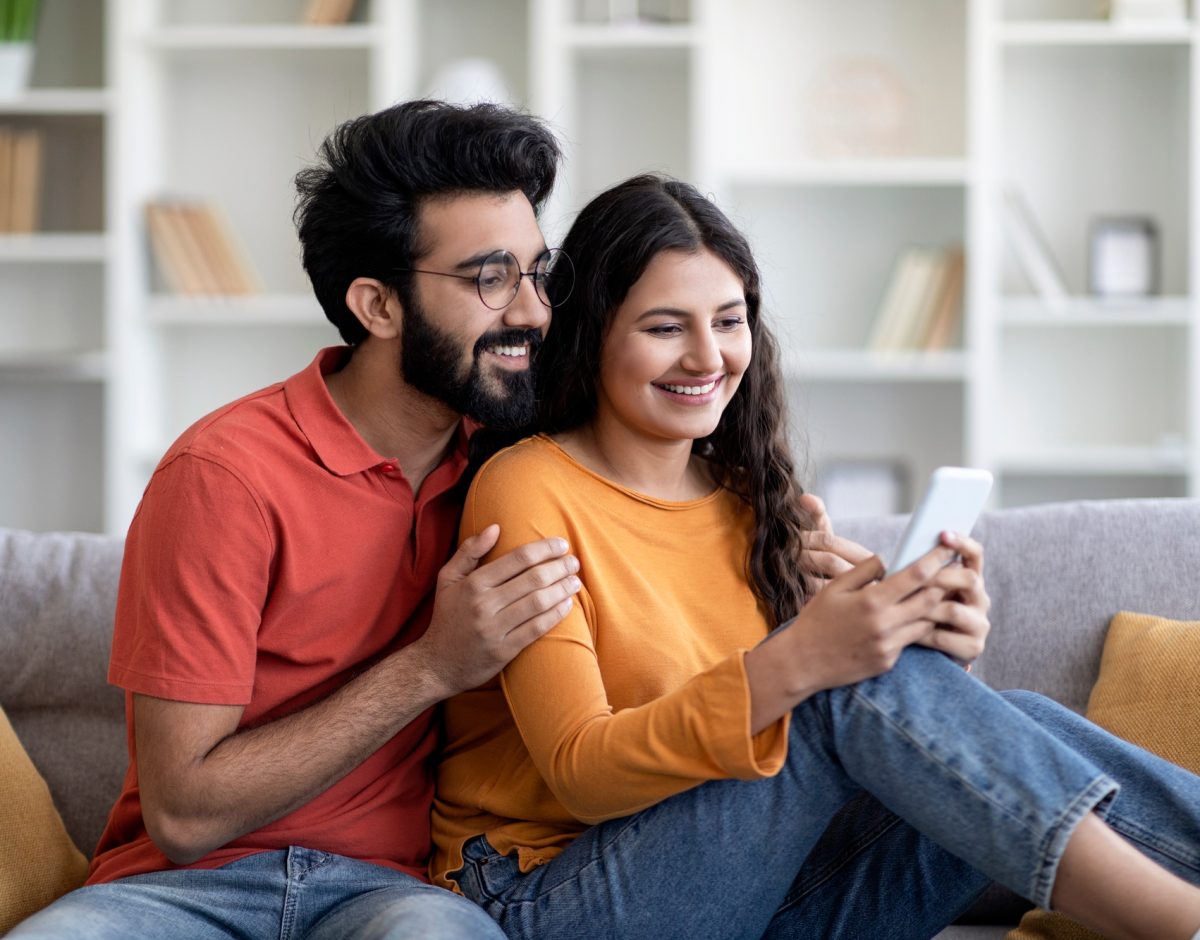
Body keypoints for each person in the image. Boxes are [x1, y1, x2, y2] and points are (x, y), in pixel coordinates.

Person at [430, 173, 1200, 940]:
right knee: (837, 689)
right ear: (593, 333)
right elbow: (581, 773)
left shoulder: (747, 499)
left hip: (752, 898)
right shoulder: (529, 486)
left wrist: (935, 651)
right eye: (666, 328)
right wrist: (807, 658)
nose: (708, 356)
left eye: (729, 322)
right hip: (554, 899)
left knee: (1016, 721)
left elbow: (876, 743)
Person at [9, 99, 585, 940]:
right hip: (180, 891)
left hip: (388, 895)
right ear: (377, 307)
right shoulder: (225, 476)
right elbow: (184, 815)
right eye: (490, 279)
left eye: (538, 272)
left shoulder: (516, 462)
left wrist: (782, 527)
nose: (532, 311)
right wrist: (431, 666)